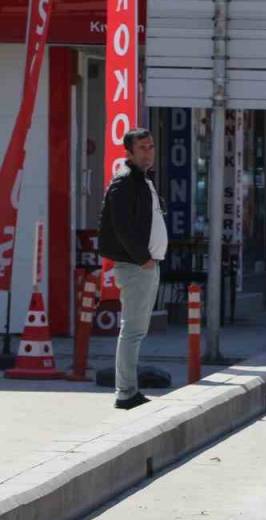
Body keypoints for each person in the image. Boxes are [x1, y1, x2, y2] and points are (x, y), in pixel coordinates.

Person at [98, 129, 168, 410]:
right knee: (132, 331)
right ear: (128, 152)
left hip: (146, 265)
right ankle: (126, 393)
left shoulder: (143, 179)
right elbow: (121, 227)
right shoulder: (125, 182)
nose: (148, 152)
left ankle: (127, 390)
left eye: (151, 146)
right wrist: (143, 259)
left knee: (136, 330)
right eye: (142, 148)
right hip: (136, 266)